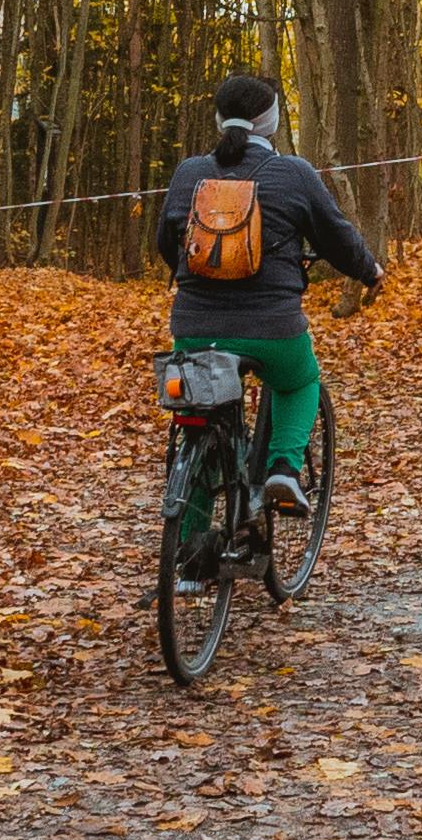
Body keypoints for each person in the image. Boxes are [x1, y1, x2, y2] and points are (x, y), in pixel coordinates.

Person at [152, 72, 382, 512]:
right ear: (271, 121)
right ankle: (284, 468)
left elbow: (167, 241)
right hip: (272, 327)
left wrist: (194, 282)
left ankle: (190, 544)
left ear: (219, 118)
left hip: (195, 326)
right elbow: (337, 237)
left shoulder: (190, 172)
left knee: (199, 418)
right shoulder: (293, 173)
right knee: (299, 381)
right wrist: (369, 270)